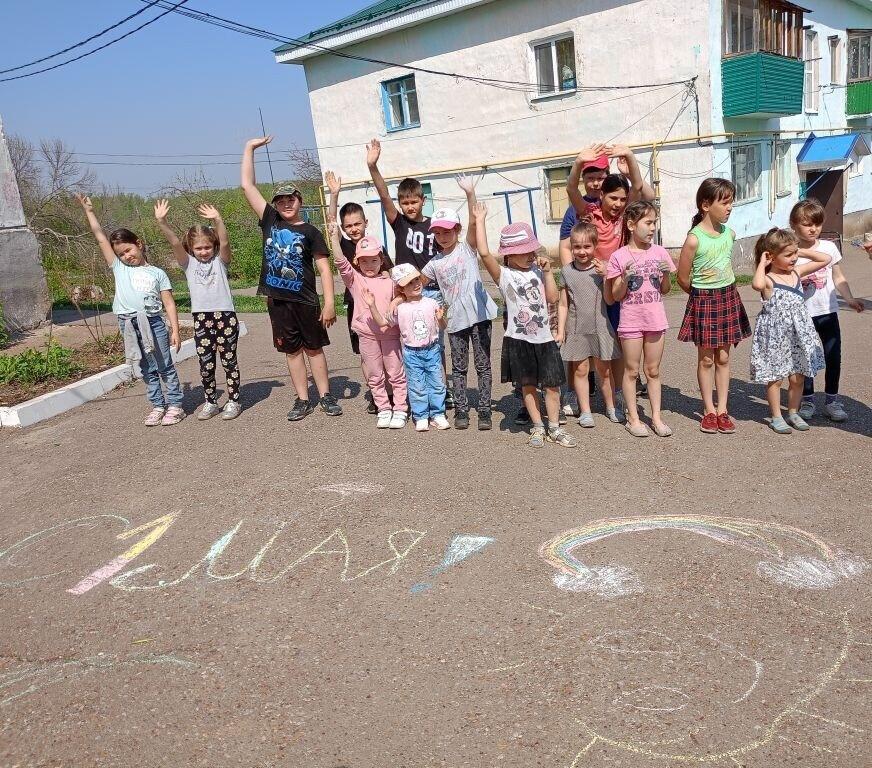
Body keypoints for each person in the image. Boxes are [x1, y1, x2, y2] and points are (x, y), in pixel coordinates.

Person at [241, 136, 342, 422]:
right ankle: (302, 398)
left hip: (306, 301)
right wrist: (250, 148)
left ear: (300, 201)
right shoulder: (271, 220)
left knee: (314, 348)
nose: (286, 204)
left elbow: (324, 268)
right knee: (292, 351)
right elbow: (247, 185)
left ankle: (325, 395)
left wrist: (329, 303)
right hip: (279, 301)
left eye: (291, 199)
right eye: (281, 200)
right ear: (275, 205)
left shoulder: (310, 231)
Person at [473, 202, 577, 448]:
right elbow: (485, 254)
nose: (531, 254)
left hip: (544, 338)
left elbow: (552, 298)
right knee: (528, 386)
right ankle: (538, 426)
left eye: (532, 248)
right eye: (524, 250)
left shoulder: (539, 272)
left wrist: (549, 273)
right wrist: (479, 220)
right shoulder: (504, 275)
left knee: (552, 386)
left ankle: (554, 427)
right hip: (519, 339)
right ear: (510, 254)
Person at [76, 194, 184, 426]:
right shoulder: (119, 269)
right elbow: (100, 238)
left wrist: (175, 330)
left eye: (128, 250)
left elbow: (169, 304)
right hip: (128, 323)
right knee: (146, 366)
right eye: (121, 254)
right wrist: (89, 212)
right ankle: (157, 405)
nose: (127, 256)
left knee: (164, 364)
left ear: (139, 244)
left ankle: (175, 404)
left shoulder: (157, 273)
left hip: (153, 321)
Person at [366, 137, 453, 409]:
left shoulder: (434, 226)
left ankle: (442, 389)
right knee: (409, 343)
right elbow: (383, 195)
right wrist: (373, 167)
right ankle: (412, 393)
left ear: (423, 200)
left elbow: (446, 255)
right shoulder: (399, 223)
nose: (409, 207)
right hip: (404, 293)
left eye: (414, 201)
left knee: (435, 344)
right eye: (405, 202)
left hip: (431, 292)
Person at [154, 200, 242, 421]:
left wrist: (217, 219)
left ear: (212, 246)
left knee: (229, 360)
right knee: (206, 363)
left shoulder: (221, 262)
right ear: (191, 249)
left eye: (207, 247)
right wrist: (161, 222)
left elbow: (225, 241)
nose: (203, 252)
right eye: (198, 248)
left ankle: (233, 400)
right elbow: (175, 242)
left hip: (225, 315)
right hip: (202, 318)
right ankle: (211, 401)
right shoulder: (188, 264)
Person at [422, 174, 498, 430]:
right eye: (438, 233)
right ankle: (462, 410)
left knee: (483, 363)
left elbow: (475, 223)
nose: (443, 236)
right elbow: (415, 283)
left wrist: (469, 193)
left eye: (447, 231)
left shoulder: (467, 249)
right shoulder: (434, 263)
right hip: (455, 320)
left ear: (457, 230)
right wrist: (396, 294)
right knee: (459, 366)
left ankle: (485, 410)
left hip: (479, 315)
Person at [677, 178, 751, 434]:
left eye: (732, 202)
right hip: (704, 299)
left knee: (723, 356)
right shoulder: (694, 239)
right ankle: (708, 409)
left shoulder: (729, 234)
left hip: (728, 296)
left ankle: (723, 409)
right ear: (705, 205)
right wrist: (701, 297)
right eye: (725, 202)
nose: (730, 207)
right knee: (706, 358)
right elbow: (683, 278)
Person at [789, 199, 864, 423]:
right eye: (806, 224)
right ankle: (808, 400)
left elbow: (838, 276)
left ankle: (832, 400)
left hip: (828, 312)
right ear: (793, 225)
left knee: (833, 356)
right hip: (802, 315)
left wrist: (849, 298)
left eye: (817, 224)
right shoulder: (791, 252)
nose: (813, 228)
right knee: (807, 357)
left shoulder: (829, 247)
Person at [327, 221, 407, 429]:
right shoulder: (355, 280)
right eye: (364, 261)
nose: (369, 265)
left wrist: (396, 301)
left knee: (396, 373)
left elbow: (404, 295)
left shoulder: (391, 282)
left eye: (373, 260)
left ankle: (400, 408)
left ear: (381, 259)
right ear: (357, 261)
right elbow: (340, 262)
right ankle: (383, 408)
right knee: (374, 375)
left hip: (390, 335)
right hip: (367, 336)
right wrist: (335, 239)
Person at [325, 170, 393, 415]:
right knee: (366, 356)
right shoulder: (343, 245)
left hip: (382, 309)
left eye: (357, 224)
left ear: (366, 223)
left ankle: (392, 391)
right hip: (358, 309)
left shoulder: (376, 246)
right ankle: (377, 395)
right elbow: (331, 224)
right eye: (349, 226)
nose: (353, 229)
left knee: (389, 352)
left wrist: (388, 275)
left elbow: (390, 272)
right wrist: (334, 195)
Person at [750, 228, 830, 433]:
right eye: (788, 255)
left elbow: (825, 258)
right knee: (775, 377)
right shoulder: (768, 279)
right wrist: (762, 262)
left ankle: (793, 412)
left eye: (794, 253)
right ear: (771, 256)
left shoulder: (796, 272)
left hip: (798, 334)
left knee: (798, 377)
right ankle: (776, 416)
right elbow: (756, 283)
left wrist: (798, 251)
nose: (793, 258)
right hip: (776, 337)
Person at [607, 202, 676, 438]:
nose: (652, 228)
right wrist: (624, 278)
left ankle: (656, 417)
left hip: (656, 319)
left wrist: (666, 273)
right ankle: (633, 418)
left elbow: (665, 289)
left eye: (654, 223)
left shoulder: (659, 252)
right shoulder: (618, 256)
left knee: (653, 370)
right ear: (631, 224)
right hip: (631, 321)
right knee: (632, 370)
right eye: (648, 223)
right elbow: (616, 295)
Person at [365, 263, 449, 432]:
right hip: (411, 353)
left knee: (437, 383)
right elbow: (383, 323)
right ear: (401, 289)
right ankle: (421, 416)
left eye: (417, 279)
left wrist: (440, 318)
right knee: (417, 386)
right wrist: (372, 305)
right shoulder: (400, 309)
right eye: (409, 283)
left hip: (432, 350)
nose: (416, 284)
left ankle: (438, 414)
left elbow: (442, 327)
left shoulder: (431, 302)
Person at [556, 221, 622, 428]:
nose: (582, 251)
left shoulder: (602, 269)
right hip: (576, 329)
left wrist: (607, 277)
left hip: (600, 326)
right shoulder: (566, 272)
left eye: (587, 246)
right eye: (577, 247)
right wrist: (560, 330)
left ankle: (611, 407)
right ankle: (585, 411)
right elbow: (563, 304)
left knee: (605, 371)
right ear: (571, 248)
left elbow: (610, 300)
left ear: (595, 246)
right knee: (580, 370)